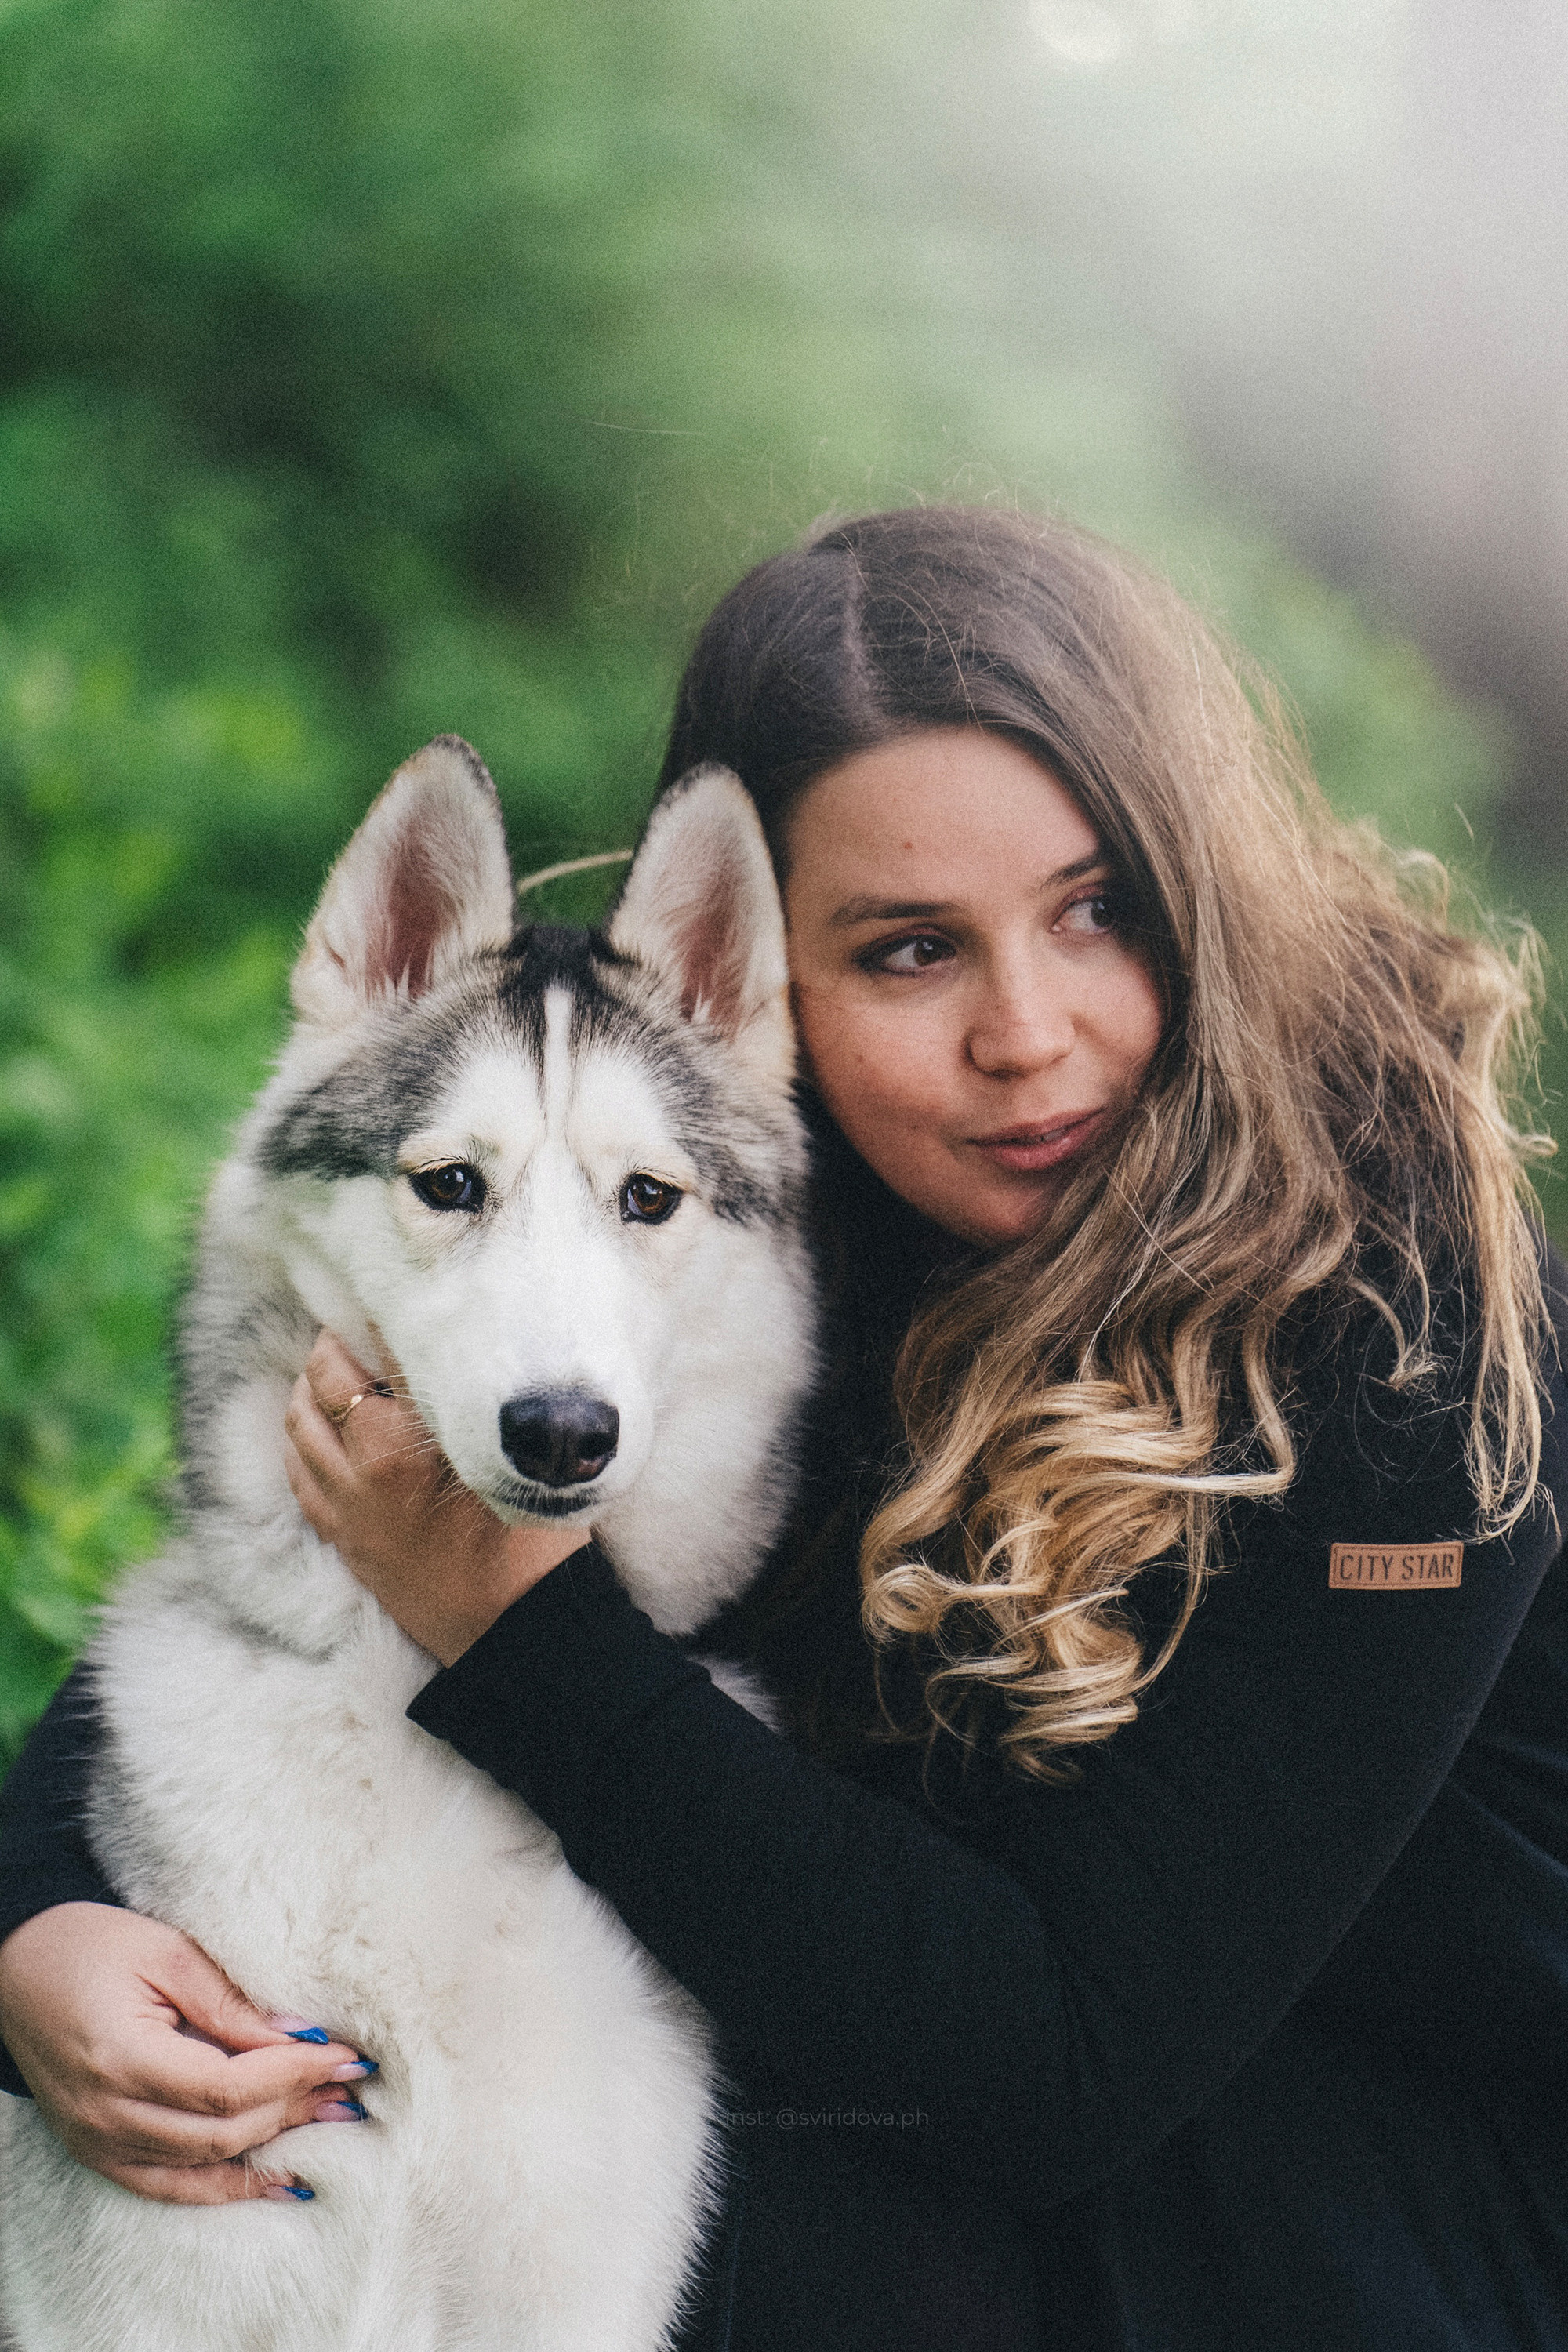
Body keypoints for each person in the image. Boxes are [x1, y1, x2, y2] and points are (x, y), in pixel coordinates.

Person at [2, 506, 1566, 2350]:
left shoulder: (1413, 1332)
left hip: (1358, 2204)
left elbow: (1061, 2071)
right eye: (910, 952)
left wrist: (515, 1624)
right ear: (760, 980)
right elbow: (275, 1579)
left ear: (1197, 895)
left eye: (1097, 911)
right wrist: (35, 1921)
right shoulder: (711, 1216)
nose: (1026, 1034)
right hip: (906, 2068)